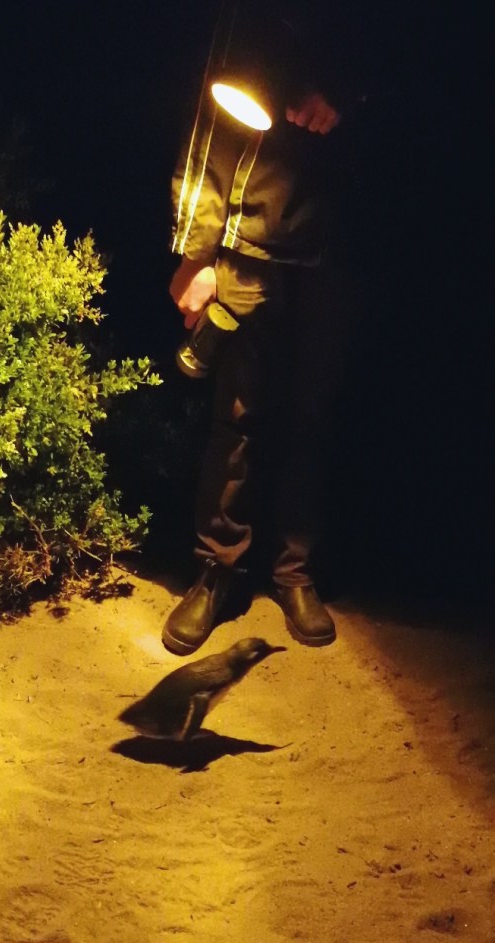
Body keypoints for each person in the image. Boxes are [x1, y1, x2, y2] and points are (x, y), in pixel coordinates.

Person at [162, 0, 372, 654]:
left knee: (313, 416)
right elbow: (210, 121)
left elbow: (418, 71)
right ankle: (217, 568)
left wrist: (341, 94)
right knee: (236, 417)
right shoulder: (248, 16)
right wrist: (197, 254)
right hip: (251, 238)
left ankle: (293, 573)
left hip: (341, 241)